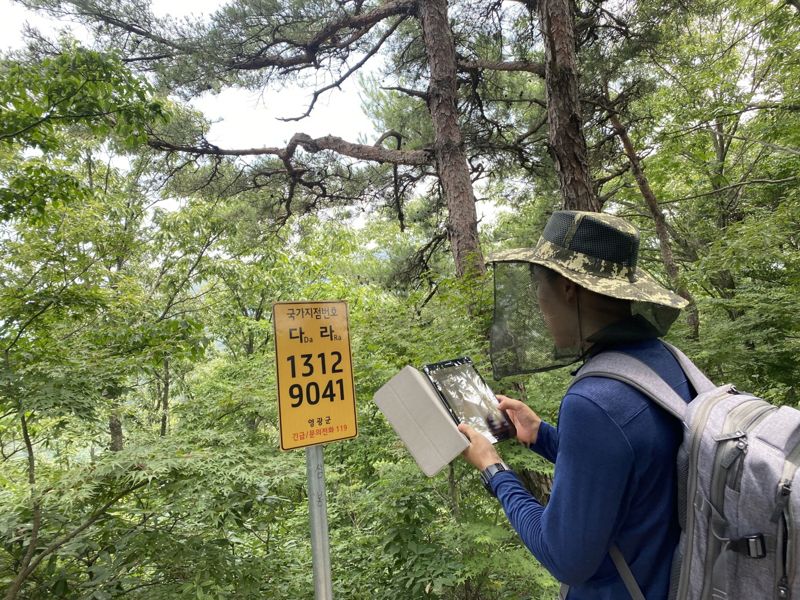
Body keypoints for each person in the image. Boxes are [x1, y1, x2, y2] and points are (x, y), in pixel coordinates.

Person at [458, 210, 692, 599]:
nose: (539, 302)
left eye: (539, 285)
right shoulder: (663, 362)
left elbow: (564, 557)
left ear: (568, 288)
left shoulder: (594, 402)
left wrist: (493, 468)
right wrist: (542, 436)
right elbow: (627, 468)